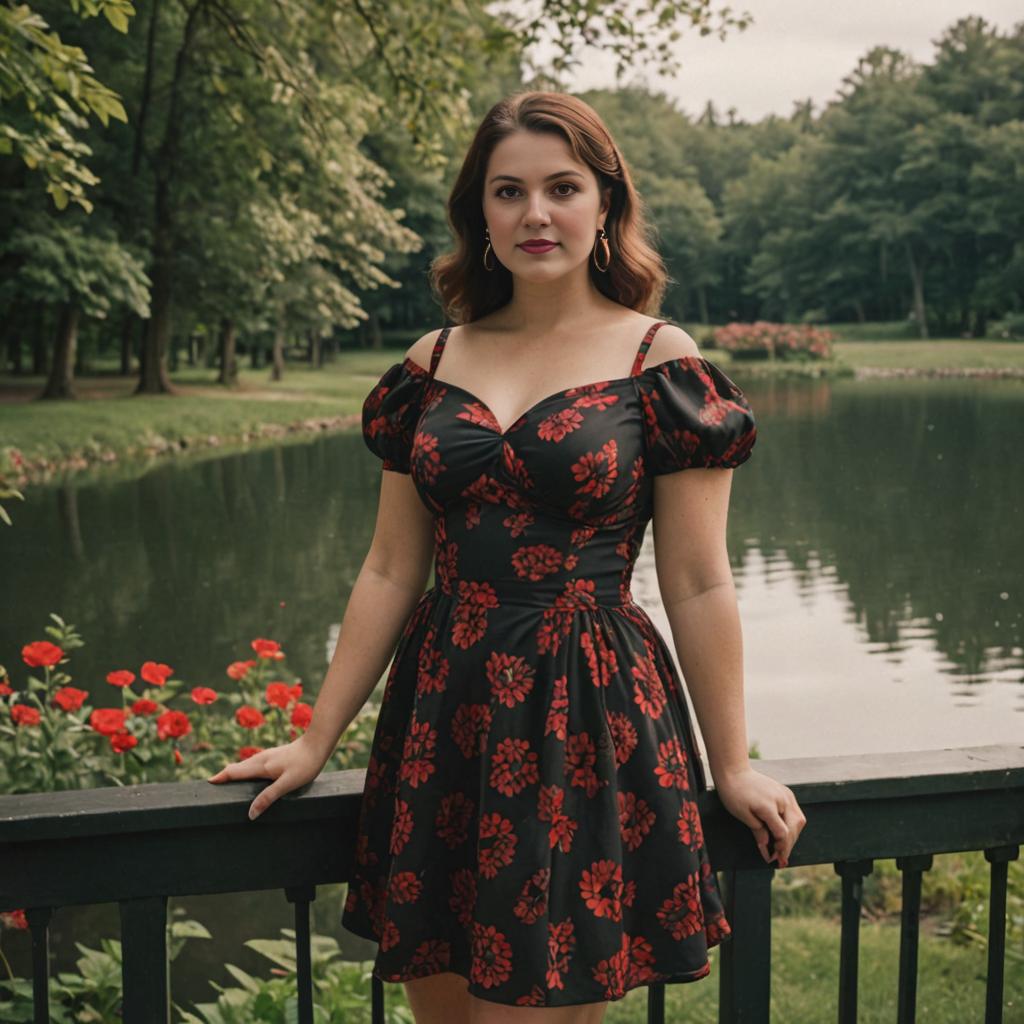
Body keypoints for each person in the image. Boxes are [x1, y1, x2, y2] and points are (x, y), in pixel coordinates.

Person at [208, 90, 806, 1023]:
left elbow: (698, 580)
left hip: (583, 716)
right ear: (479, 214)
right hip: (444, 714)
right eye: (508, 191)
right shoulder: (433, 361)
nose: (536, 213)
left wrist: (730, 766)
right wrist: (314, 738)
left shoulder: (659, 359)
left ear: (605, 204)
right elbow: (389, 570)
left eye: (563, 187)